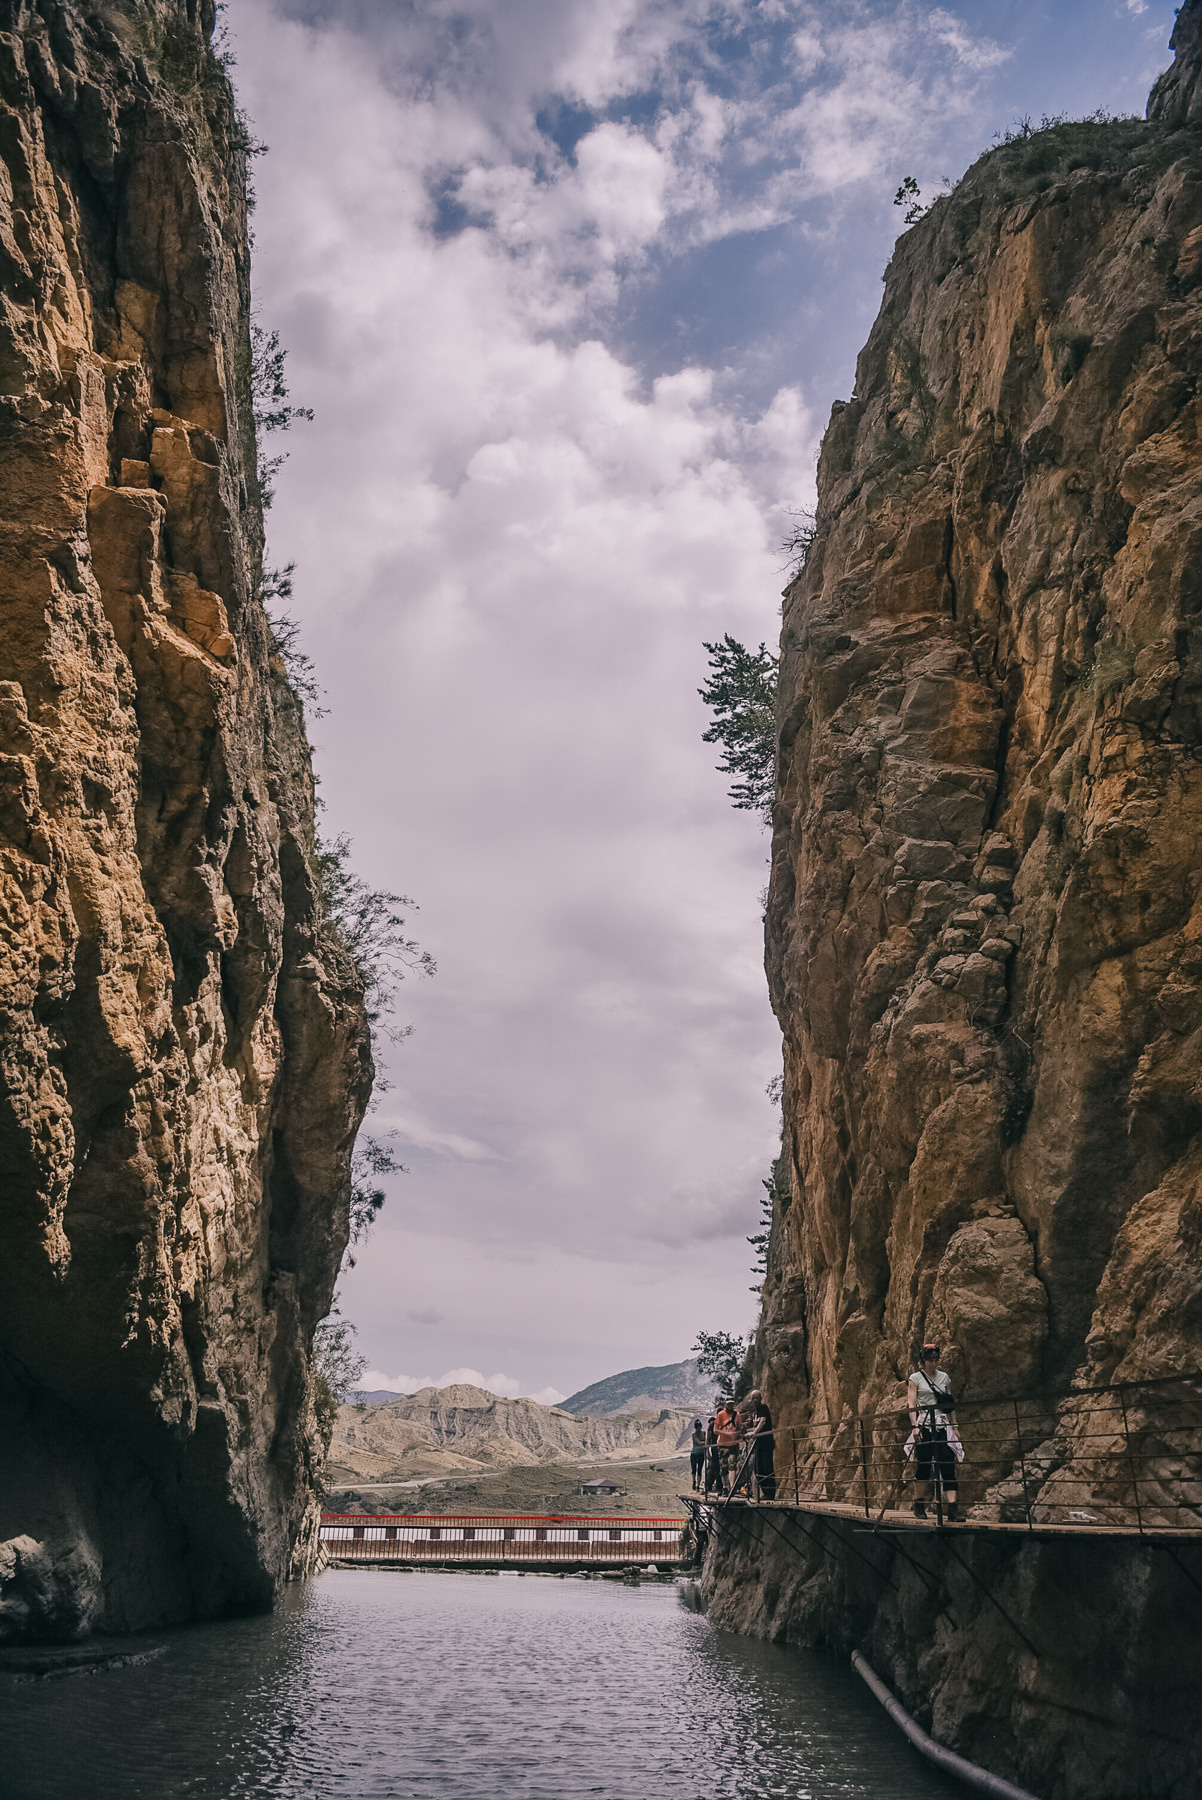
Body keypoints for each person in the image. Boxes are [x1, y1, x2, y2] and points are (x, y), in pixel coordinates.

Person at [906, 1344, 963, 1521]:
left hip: (942, 1425)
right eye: (930, 1360)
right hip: (924, 1423)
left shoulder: (944, 1377)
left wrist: (955, 1425)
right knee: (924, 1465)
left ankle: (952, 1510)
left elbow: (948, 1404)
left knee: (948, 1464)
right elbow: (912, 1403)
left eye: (935, 1360)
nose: (933, 1363)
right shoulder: (915, 1378)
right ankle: (919, 1505)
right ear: (923, 1360)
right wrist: (914, 1426)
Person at [743, 1389, 776, 1501]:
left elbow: (763, 1422)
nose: (755, 1400)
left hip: (766, 1443)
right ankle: (765, 1492)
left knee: (767, 1468)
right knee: (758, 1469)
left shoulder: (763, 1408)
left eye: (757, 1397)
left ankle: (770, 1493)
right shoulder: (756, 1412)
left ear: (760, 1398)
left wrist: (754, 1433)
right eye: (753, 1398)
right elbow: (757, 1425)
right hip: (759, 1444)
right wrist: (750, 1433)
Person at [715, 1399, 742, 1491]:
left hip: (733, 1444)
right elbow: (715, 1430)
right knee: (723, 1467)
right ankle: (725, 1487)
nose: (730, 1405)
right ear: (725, 1404)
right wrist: (728, 1434)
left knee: (732, 1465)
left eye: (732, 1403)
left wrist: (737, 1434)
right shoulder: (720, 1415)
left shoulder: (737, 1415)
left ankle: (731, 1487)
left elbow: (740, 1429)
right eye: (729, 1403)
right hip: (723, 1444)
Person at [704, 1415, 724, 1495]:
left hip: (715, 1449)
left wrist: (707, 1451)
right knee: (716, 1468)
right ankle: (717, 1486)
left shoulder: (712, 1423)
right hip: (720, 1447)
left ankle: (713, 1487)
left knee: (714, 1468)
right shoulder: (719, 1423)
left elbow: (707, 1439)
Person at [689, 1419, 706, 1492]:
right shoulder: (694, 1434)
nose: (698, 1428)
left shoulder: (704, 1433)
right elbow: (698, 1442)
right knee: (694, 1469)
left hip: (701, 1454)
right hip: (694, 1453)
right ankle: (694, 1482)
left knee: (699, 1470)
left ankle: (698, 1486)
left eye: (699, 1427)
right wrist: (706, 1442)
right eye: (697, 1427)